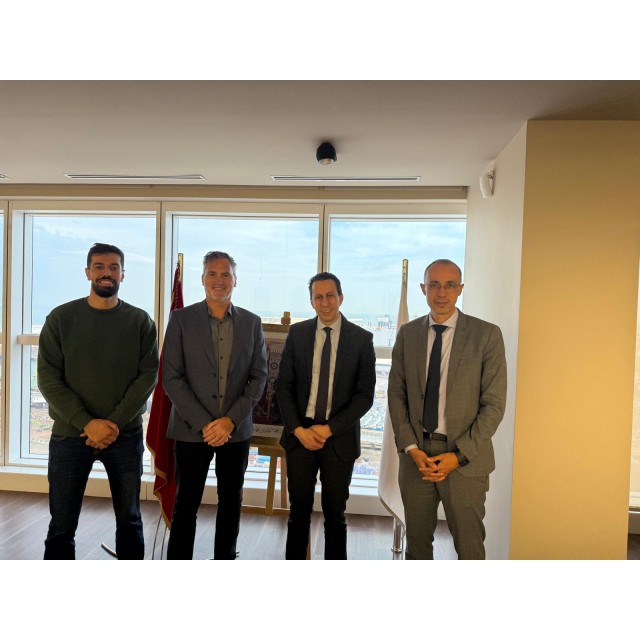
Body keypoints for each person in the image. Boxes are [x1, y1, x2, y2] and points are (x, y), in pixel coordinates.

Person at [38, 243, 158, 560]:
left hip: (124, 435)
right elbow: (48, 379)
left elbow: (147, 377)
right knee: (61, 525)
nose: (107, 273)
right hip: (70, 436)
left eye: (114, 267)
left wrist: (112, 424)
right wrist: (87, 423)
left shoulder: (140, 321)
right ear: (88, 272)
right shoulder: (60, 318)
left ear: (123, 274)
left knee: (130, 520)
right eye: (100, 266)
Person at [388, 259, 507, 560]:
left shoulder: (486, 335)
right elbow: (396, 394)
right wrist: (411, 448)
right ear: (423, 288)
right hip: (416, 458)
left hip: (465, 461)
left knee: (469, 548)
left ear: (460, 289)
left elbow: (493, 406)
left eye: (450, 285)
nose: (442, 292)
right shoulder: (407, 334)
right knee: (417, 548)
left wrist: (459, 455)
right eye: (434, 285)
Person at [162, 251, 267, 559]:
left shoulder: (252, 323)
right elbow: (171, 377)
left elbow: (258, 377)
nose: (219, 280)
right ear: (202, 279)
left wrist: (229, 421)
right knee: (186, 502)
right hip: (191, 429)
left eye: (225, 275)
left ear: (235, 280)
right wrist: (206, 424)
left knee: (231, 501)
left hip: (235, 430)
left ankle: (225, 559)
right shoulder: (181, 319)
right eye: (212, 274)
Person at [276, 272, 376, 559]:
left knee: (335, 514)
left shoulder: (361, 339)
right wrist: (298, 430)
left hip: (339, 437)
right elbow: (283, 387)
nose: (325, 302)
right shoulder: (298, 334)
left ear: (341, 298)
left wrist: (329, 429)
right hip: (300, 436)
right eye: (318, 297)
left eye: (330, 295)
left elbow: (364, 396)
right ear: (311, 301)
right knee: (298, 513)